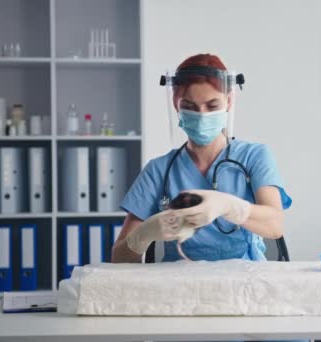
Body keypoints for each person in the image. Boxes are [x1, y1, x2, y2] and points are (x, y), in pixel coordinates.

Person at [112, 53, 292, 263]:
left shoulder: (254, 157)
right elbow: (119, 259)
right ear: (175, 103)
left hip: (243, 284)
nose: (202, 115)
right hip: (178, 286)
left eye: (212, 106)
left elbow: (275, 226)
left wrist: (229, 206)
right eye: (190, 106)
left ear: (229, 101)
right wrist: (143, 235)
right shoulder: (159, 170)